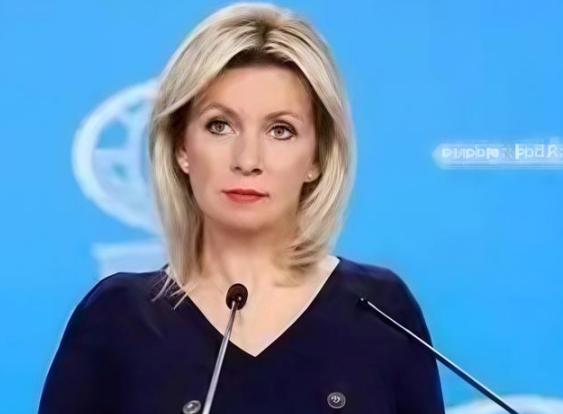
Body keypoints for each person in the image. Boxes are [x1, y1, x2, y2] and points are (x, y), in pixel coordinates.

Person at [38, 2, 445, 413]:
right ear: (181, 147)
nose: (248, 159)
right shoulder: (116, 318)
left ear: (317, 157)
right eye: (220, 126)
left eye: (280, 130)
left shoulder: (380, 311)